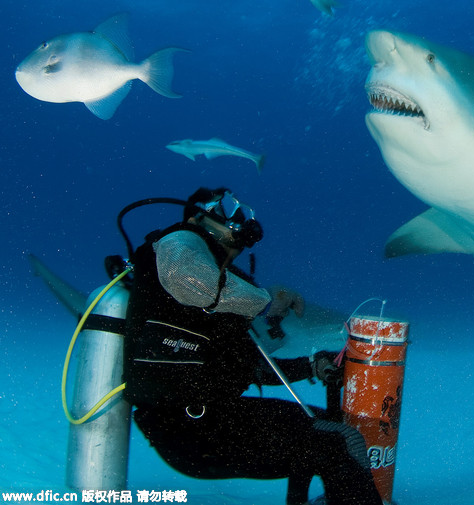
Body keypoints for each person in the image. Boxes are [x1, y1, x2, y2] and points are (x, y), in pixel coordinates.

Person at [122, 187, 382, 505]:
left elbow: (248, 366)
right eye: (226, 207)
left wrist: (310, 365)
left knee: (326, 428)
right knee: (339, 440)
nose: (239, 218)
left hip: (206, 422)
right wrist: (264, 301)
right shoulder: (181, 240)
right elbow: (183, 276)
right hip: (191, 430)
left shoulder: (216, 288)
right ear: (196, 217)